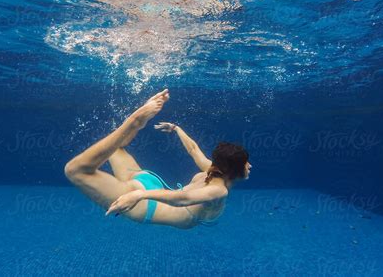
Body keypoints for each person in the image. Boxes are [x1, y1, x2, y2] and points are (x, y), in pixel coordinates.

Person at [64, 89, 252, 229]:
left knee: (115, 148)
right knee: (75, 171)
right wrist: (139, 195)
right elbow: (182, 198)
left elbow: (194, 150)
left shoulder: (210, 169)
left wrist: (176, 129)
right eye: (246, 163)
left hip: (149, 182)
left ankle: (135, 123)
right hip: (145, 206)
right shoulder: (219, 190)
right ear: (233, 169)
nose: (249, 166)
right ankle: (135, 121)